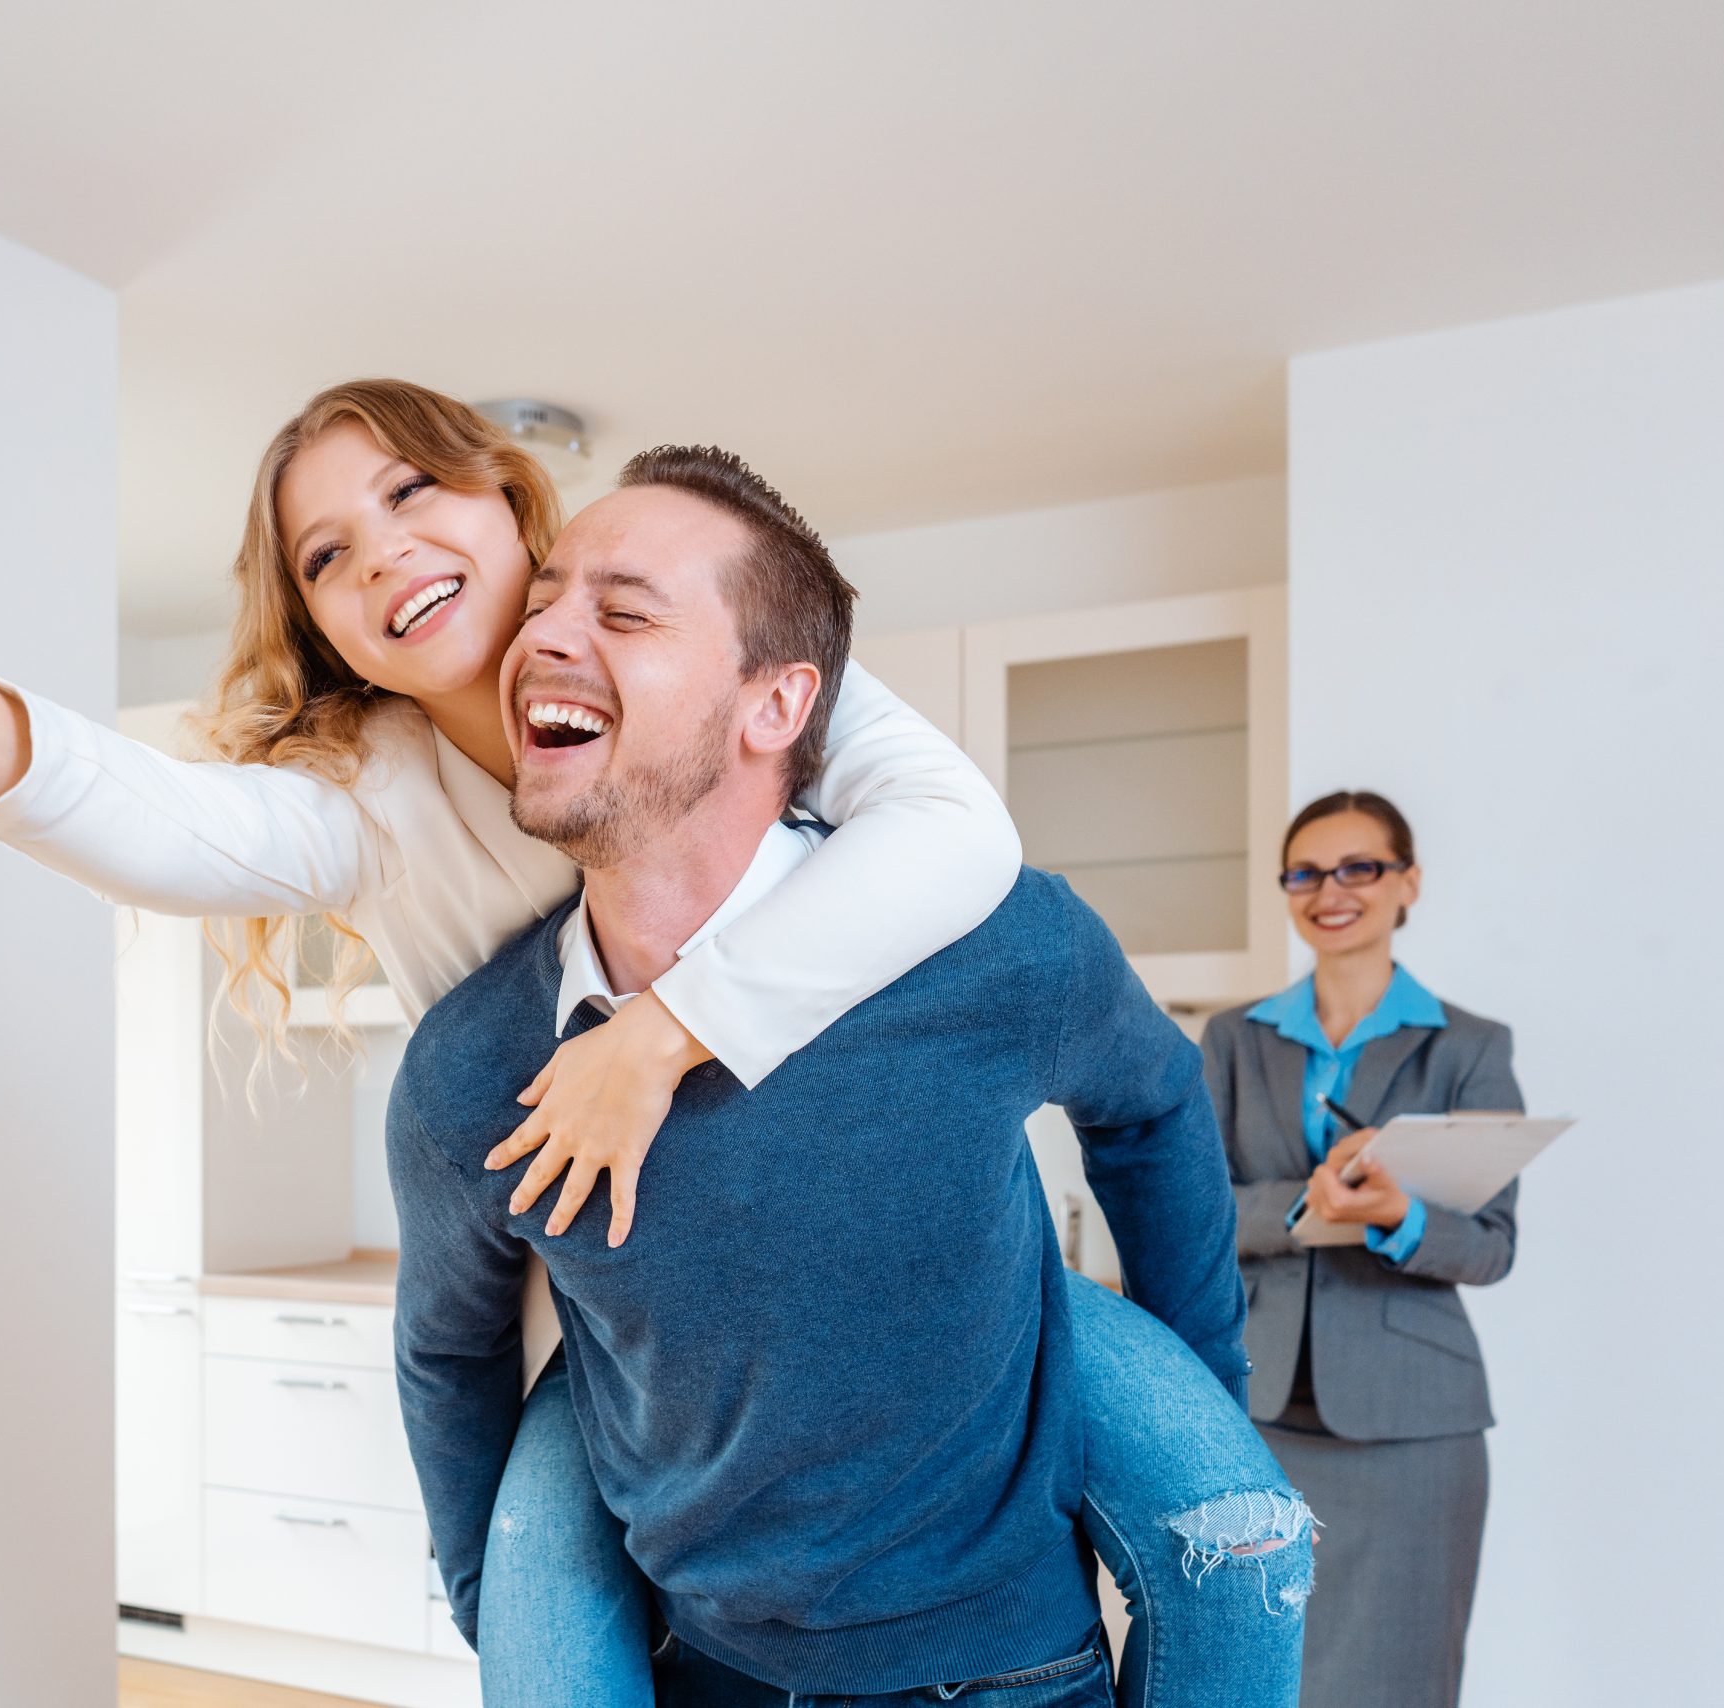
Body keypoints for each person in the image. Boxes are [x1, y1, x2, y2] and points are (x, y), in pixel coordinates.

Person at [0, 381, 1308, 1706]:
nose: (383, 550)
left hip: (921, 1341)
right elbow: (148, 815)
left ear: (513, 502)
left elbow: (968, 847)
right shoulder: (373, 813)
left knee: (1234, 1524)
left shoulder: (778, 700)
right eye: (327, 553)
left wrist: (660, 1035)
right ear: (323, 627)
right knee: (531, 1607)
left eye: (411, 490)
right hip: (621, 1320)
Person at [391, 443, 1291, 1708]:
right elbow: (448, 1350)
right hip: (702, 1675)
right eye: (539, 600)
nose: (540, 634)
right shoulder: (474, 1063)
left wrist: (1197, 1410)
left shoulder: (987, 941)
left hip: (1009, 1673)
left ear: (777, 707)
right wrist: (504, 1614)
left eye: (624, 609)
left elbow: (1153, 1107)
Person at [1203, 791, 1521, 1707]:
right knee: (1250, 1673)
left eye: (1359, 868)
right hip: (1253, 1413)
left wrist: (1398, 1215)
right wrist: (1307, 1202)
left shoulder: (1468, 1047)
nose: (1329, 891)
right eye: (1305, 873)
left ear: (1405, 882)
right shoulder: (1232, 1041)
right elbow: (1185, 1219)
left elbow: (1492, 1246)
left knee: (1404, 1678)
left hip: (1415, 1427)